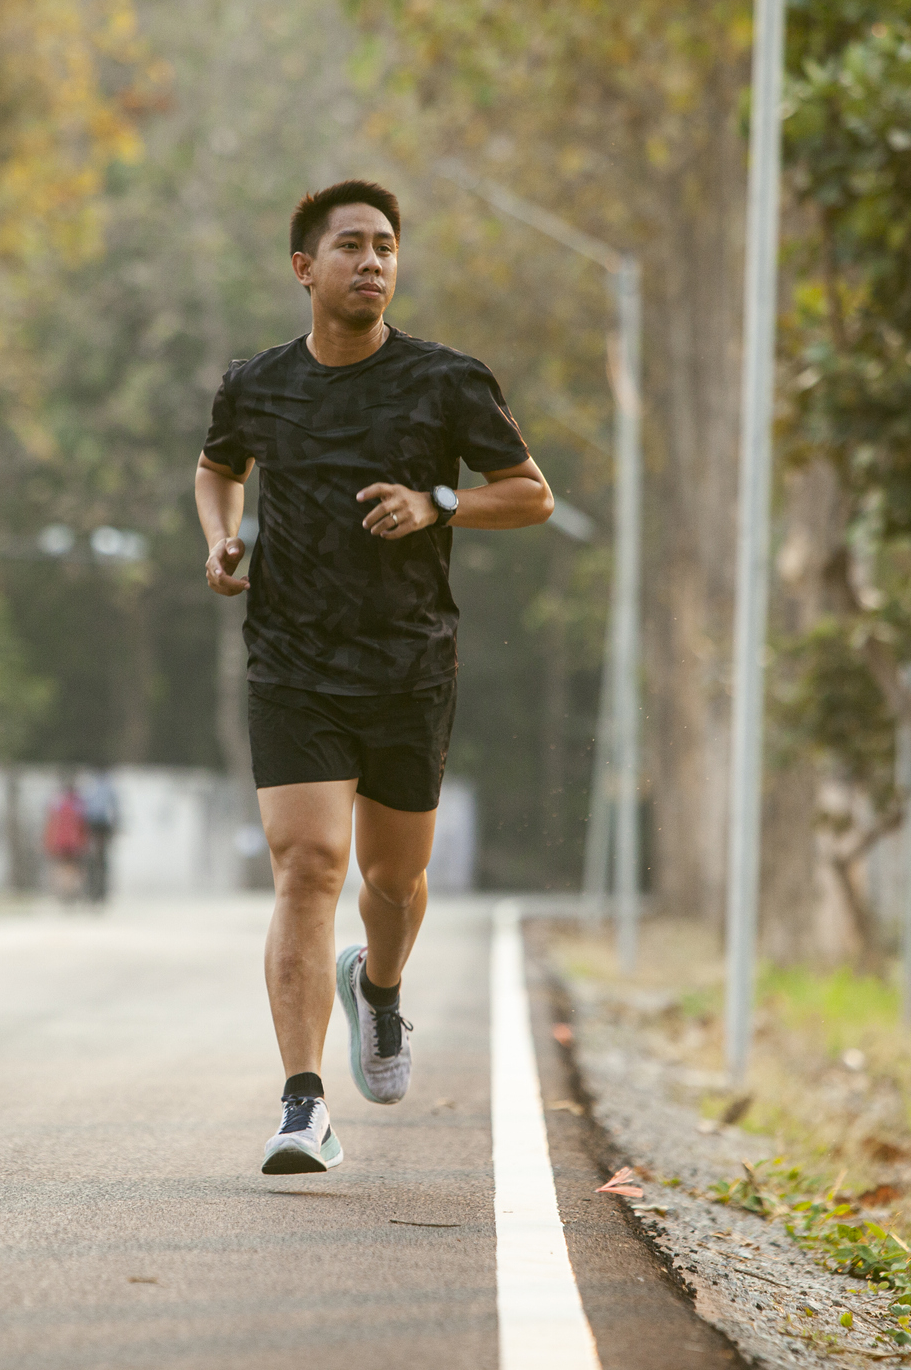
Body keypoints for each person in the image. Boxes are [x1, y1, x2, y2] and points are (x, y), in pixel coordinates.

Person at [193, 179, 553, 1175]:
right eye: (351, 245)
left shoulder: (447, 382)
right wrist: (223, 541)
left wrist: (439, 501)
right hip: (291, 660)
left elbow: (530, 494)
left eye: (387, 247)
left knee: (393, 879)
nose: (374, 262)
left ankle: (380, 989)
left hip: (407, 663)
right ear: (305, 267)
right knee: (307, 863)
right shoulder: (255, 384)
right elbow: (217, 467)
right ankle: (303, 1103)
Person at [43, 777, 90, 902]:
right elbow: (82, 824)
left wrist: (49, 839)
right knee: (73, 866)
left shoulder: (57, 802)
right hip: (74, 840)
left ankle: (63, 890)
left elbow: (52, 822)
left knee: (62, 866)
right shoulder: (79, 803)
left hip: (60, 840)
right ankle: (71, 890)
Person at [81, 771, 120, 904]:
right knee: (101, 858)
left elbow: (83, 807)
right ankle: (100, 891)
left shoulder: (89, 786)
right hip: (101, 825)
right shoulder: (109, 787)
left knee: (91, 856)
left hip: (91, 825)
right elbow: (114, 808)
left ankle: (93, 890)